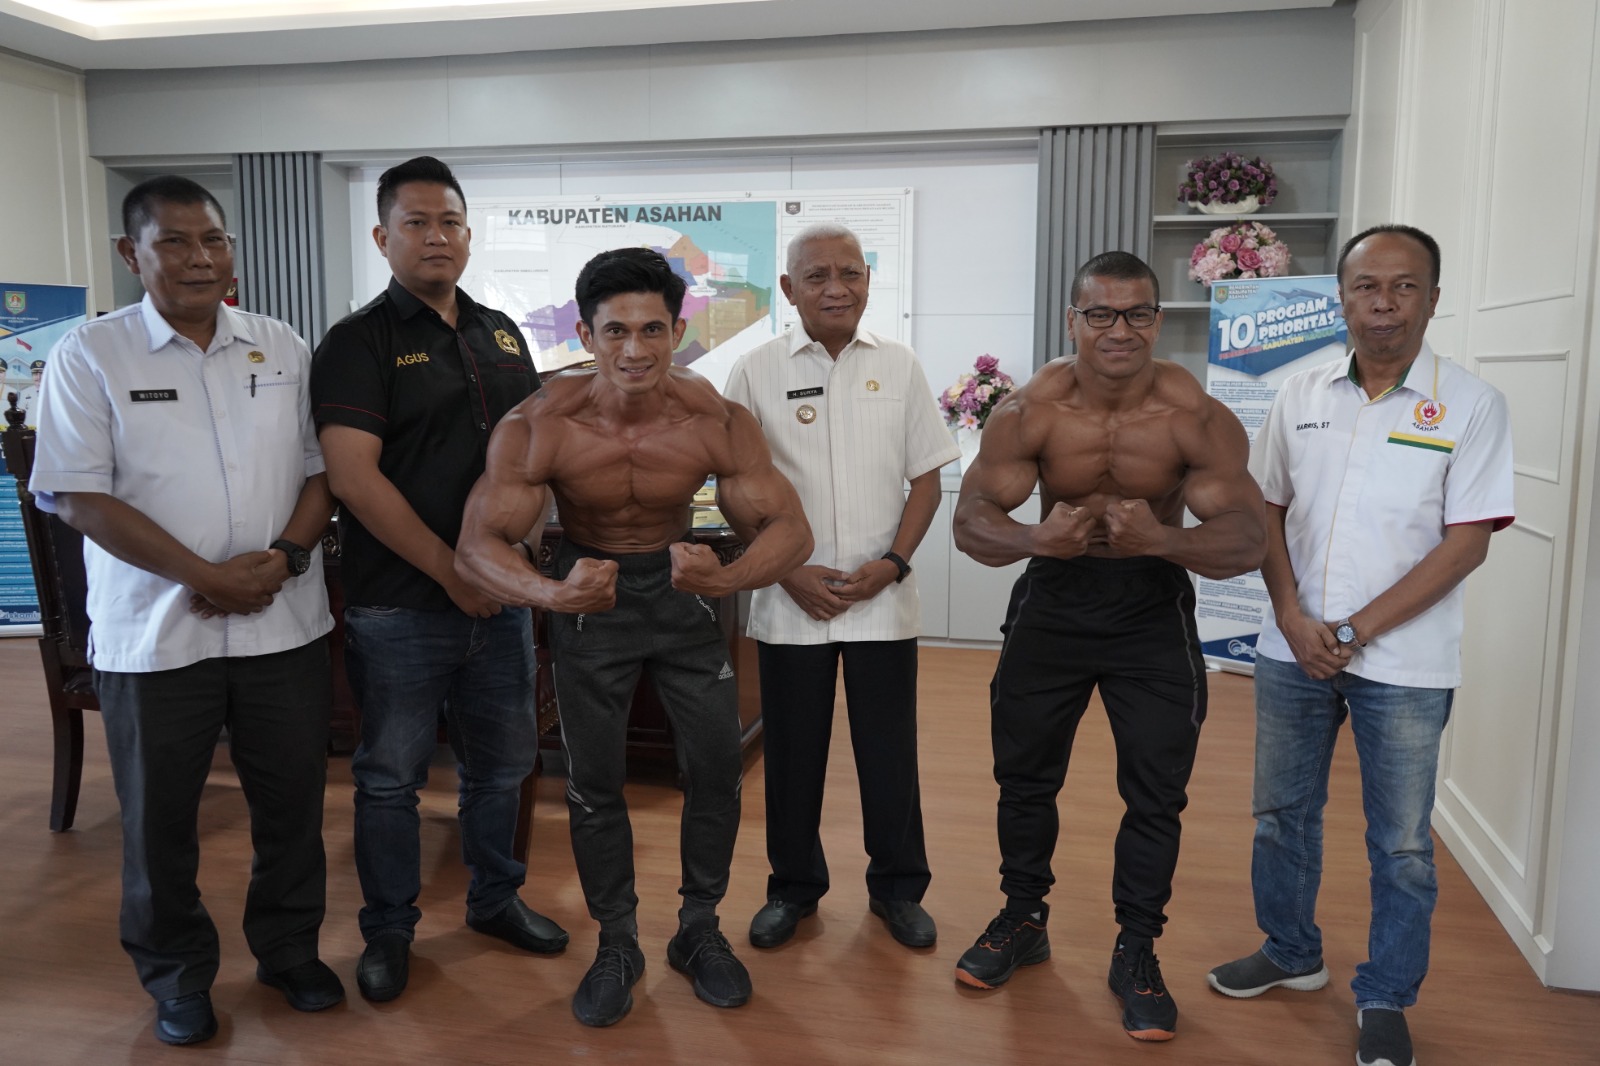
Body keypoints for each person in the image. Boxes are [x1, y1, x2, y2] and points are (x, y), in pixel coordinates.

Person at [454, 246, 812, 1028]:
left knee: (716, 768)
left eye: (653, 329)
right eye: (616, 331)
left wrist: (727, 579)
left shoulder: (714, 419)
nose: (635, 349)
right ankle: (617, 941)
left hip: (682, 597)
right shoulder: (539, 425)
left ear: (677, 332)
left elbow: (792, 530)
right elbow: (475, 549)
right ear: (586, 335)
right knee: (594, 782)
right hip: (590, 598)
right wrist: (553, 594)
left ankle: (698, 929)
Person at [29, 175, 341, 1045]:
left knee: (293, 807)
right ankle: (176, 976)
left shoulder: (281, 344)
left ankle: (289, 950)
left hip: (284, 624)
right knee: (160, 821)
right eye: (173, 240)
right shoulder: (91, 355)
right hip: (157, 637)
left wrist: (284, 559)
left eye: (213, 239)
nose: (199, 257)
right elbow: (78, 495)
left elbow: (322, 471)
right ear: (131, 254)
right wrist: (207, 575)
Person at [1207, 225, 1514, 1066]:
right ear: (1339, 299)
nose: (1383, 303)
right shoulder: (1299, 392)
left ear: (1432, 299)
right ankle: (1290, 952)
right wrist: (1291, 616)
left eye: (1403, 287)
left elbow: (1467, 543)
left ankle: (1385, 996)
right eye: (1366, 287)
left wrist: (1351, 631)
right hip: (1291, 651)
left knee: (1402, 844)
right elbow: (1266, 509)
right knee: (1281, 816)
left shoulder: (1472, 404)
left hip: (1406, 665)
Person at [950, 250, 1266, 1042]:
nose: (1118, 330)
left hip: (1150, 609)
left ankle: (1137, 949)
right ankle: (1023, 919)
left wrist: (1164, 540)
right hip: (1053, 602)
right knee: (1025, 777)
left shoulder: (1194, 417)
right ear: (1073, 321)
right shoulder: (1030, 411)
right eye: (1100, 314)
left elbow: (1247, 539)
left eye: (1136, 314)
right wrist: (1034, 537)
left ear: (1157, 321)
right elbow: (971, 521)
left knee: (1156, 792)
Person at [311, 155, 565, 1004]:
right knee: (390, 780)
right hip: (402, 607)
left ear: (468, 233)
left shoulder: (501, 332)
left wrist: (519, 557)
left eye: (449, 221)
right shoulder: (358, 342)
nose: (435, 237)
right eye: (415, 223)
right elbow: (353, 480)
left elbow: (533, 455)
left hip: (500, 604)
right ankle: (388, 930)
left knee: (503, 766)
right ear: (381, 236)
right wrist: (455, 573)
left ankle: (495, 900)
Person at [722, 223, 958, 951]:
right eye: (817, 275)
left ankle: (898, 890)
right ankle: (793, 889)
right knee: (793, 758)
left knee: (889, 756)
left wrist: (895, 562)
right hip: (790, 602)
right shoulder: (754, 371)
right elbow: (733, 488)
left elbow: (927, 479)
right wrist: (784, 570)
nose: (836, 288)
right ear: (788, 289)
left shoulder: (900, 364)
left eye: (850, 273)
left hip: (882, 601)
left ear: (867, 280)